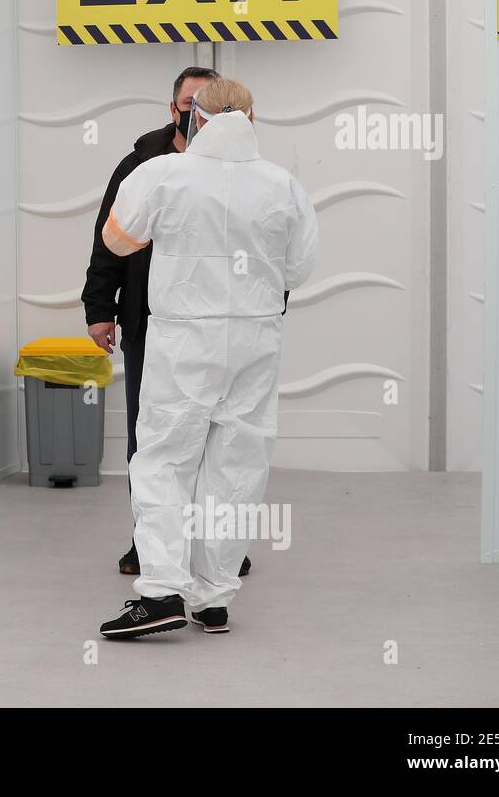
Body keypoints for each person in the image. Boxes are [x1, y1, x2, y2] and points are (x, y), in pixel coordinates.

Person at [96, 78, 318, 639]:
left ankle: (162, 591)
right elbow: (299, 269)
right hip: (255, 338)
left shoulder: (162, 174)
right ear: (252, 117)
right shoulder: (282, 184)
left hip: (184, 339)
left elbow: (117, 240)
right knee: (236, 465)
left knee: (166, 459)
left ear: (194, 117)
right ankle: (214, 598)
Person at [82, 66, 232, 575]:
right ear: (173, 109)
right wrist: (100, 309)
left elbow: (269, 245)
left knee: (216, 439)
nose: (199, 115)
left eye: (208, 106)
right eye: (190, 105)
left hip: (219, 328)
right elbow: (109, 241)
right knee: (149, 440)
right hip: (149, 324)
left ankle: (215, 546)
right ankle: (147, 541)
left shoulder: (244, 171)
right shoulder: (138, 164)